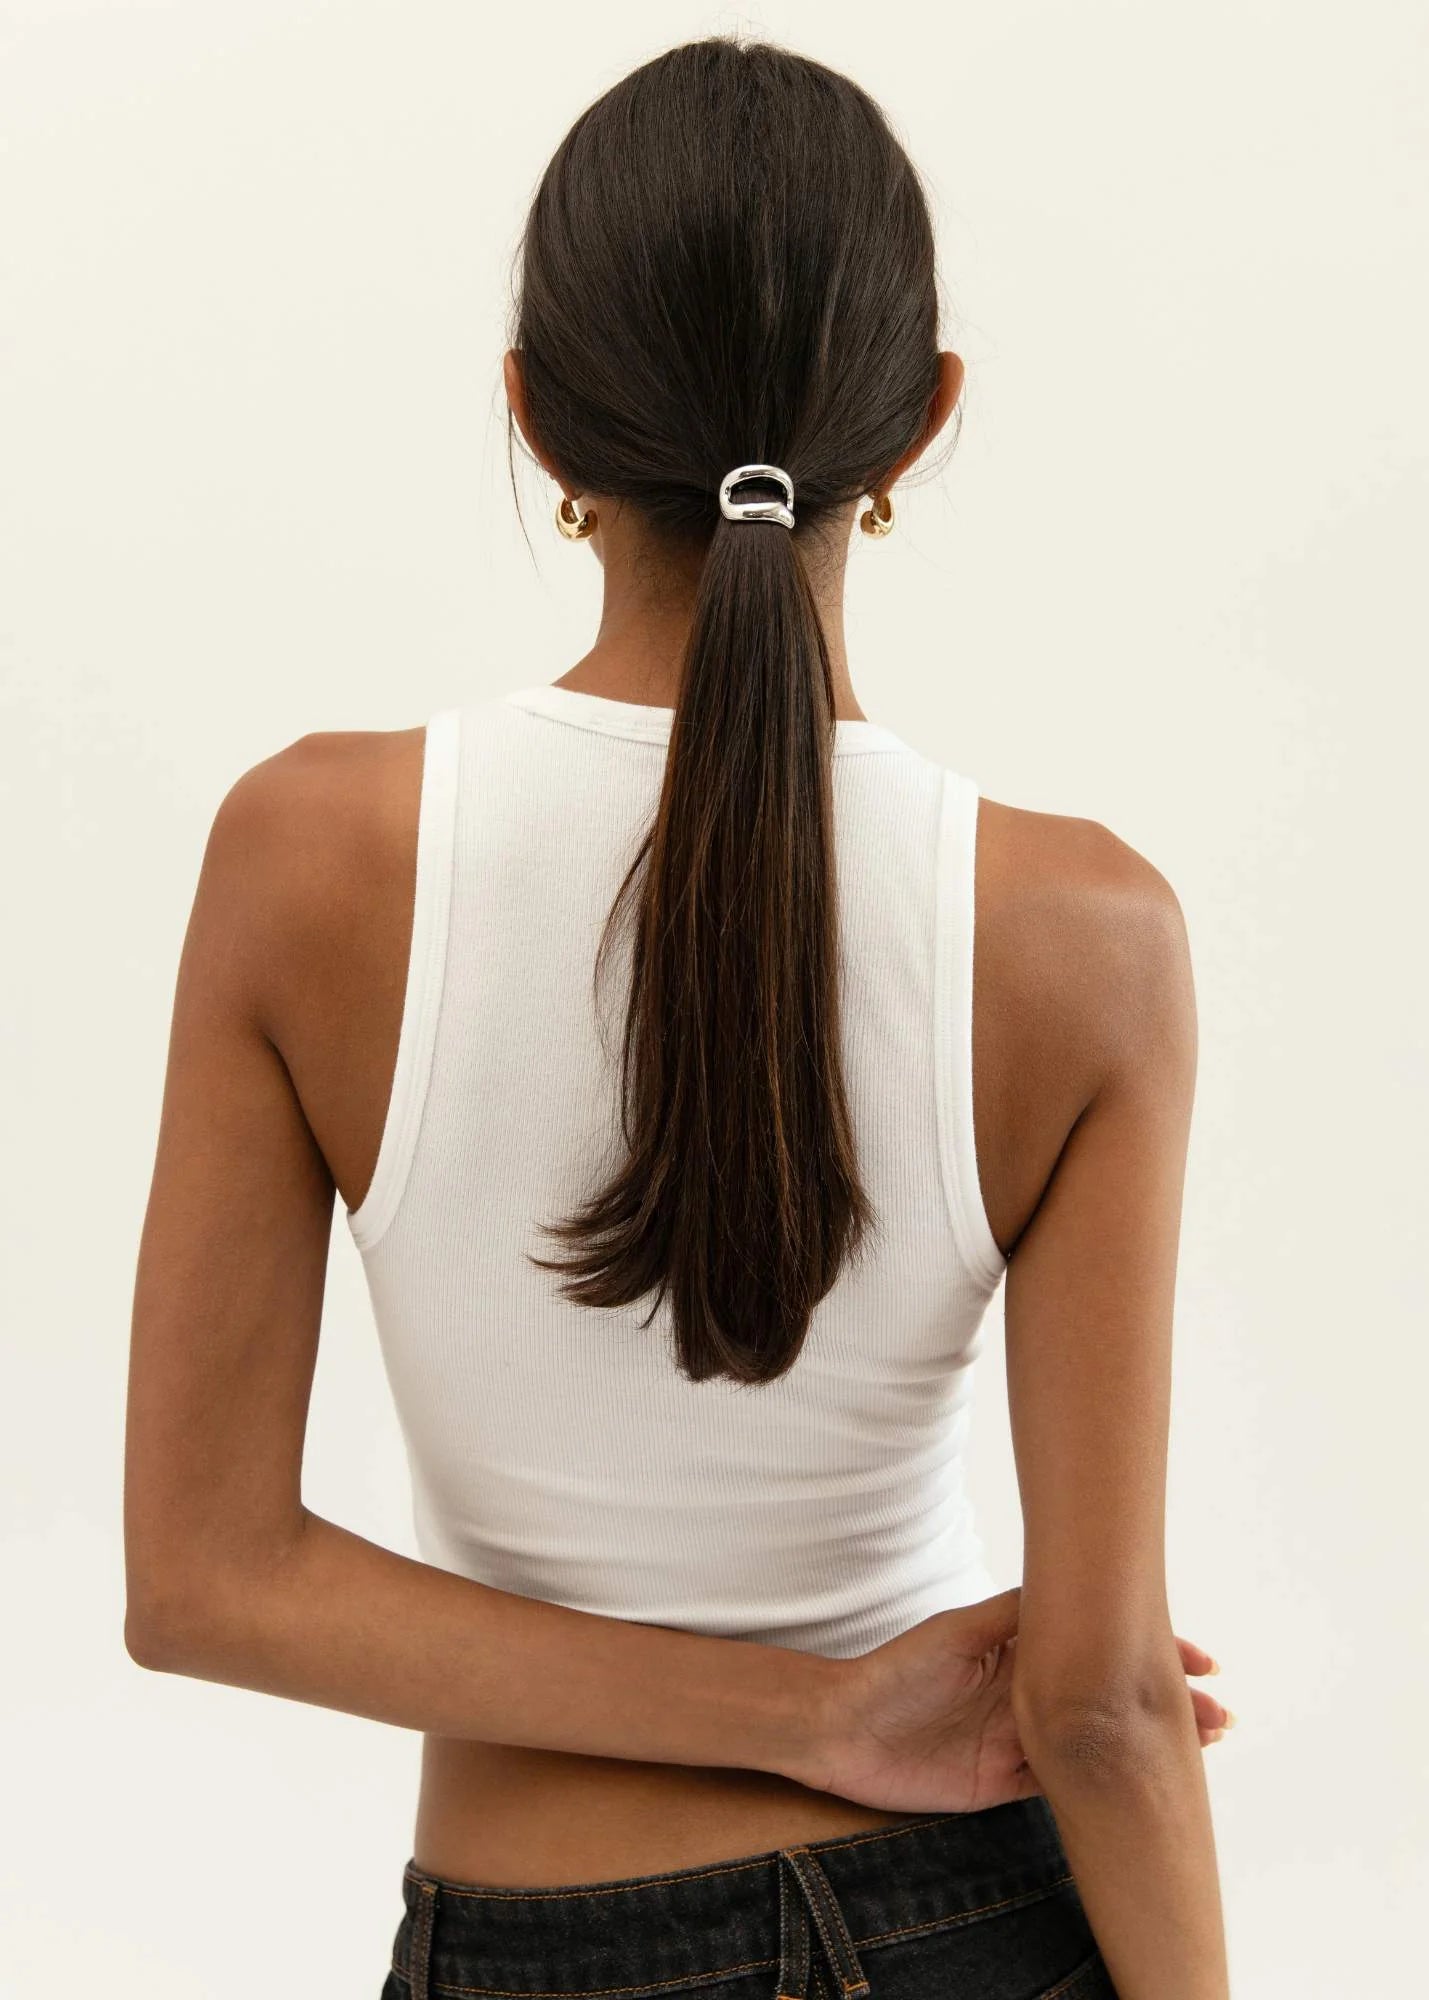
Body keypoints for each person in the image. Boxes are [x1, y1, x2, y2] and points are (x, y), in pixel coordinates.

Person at [123, 35, 1233, 2000]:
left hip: (516, 1943)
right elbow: (1103, 1701)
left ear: (535, 416)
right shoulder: (1083, 933)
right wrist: (831, 1716)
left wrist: (811, 1720)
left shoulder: (308, 854)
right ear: (919, 423)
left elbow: (203, 1581)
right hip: (965, 1924)